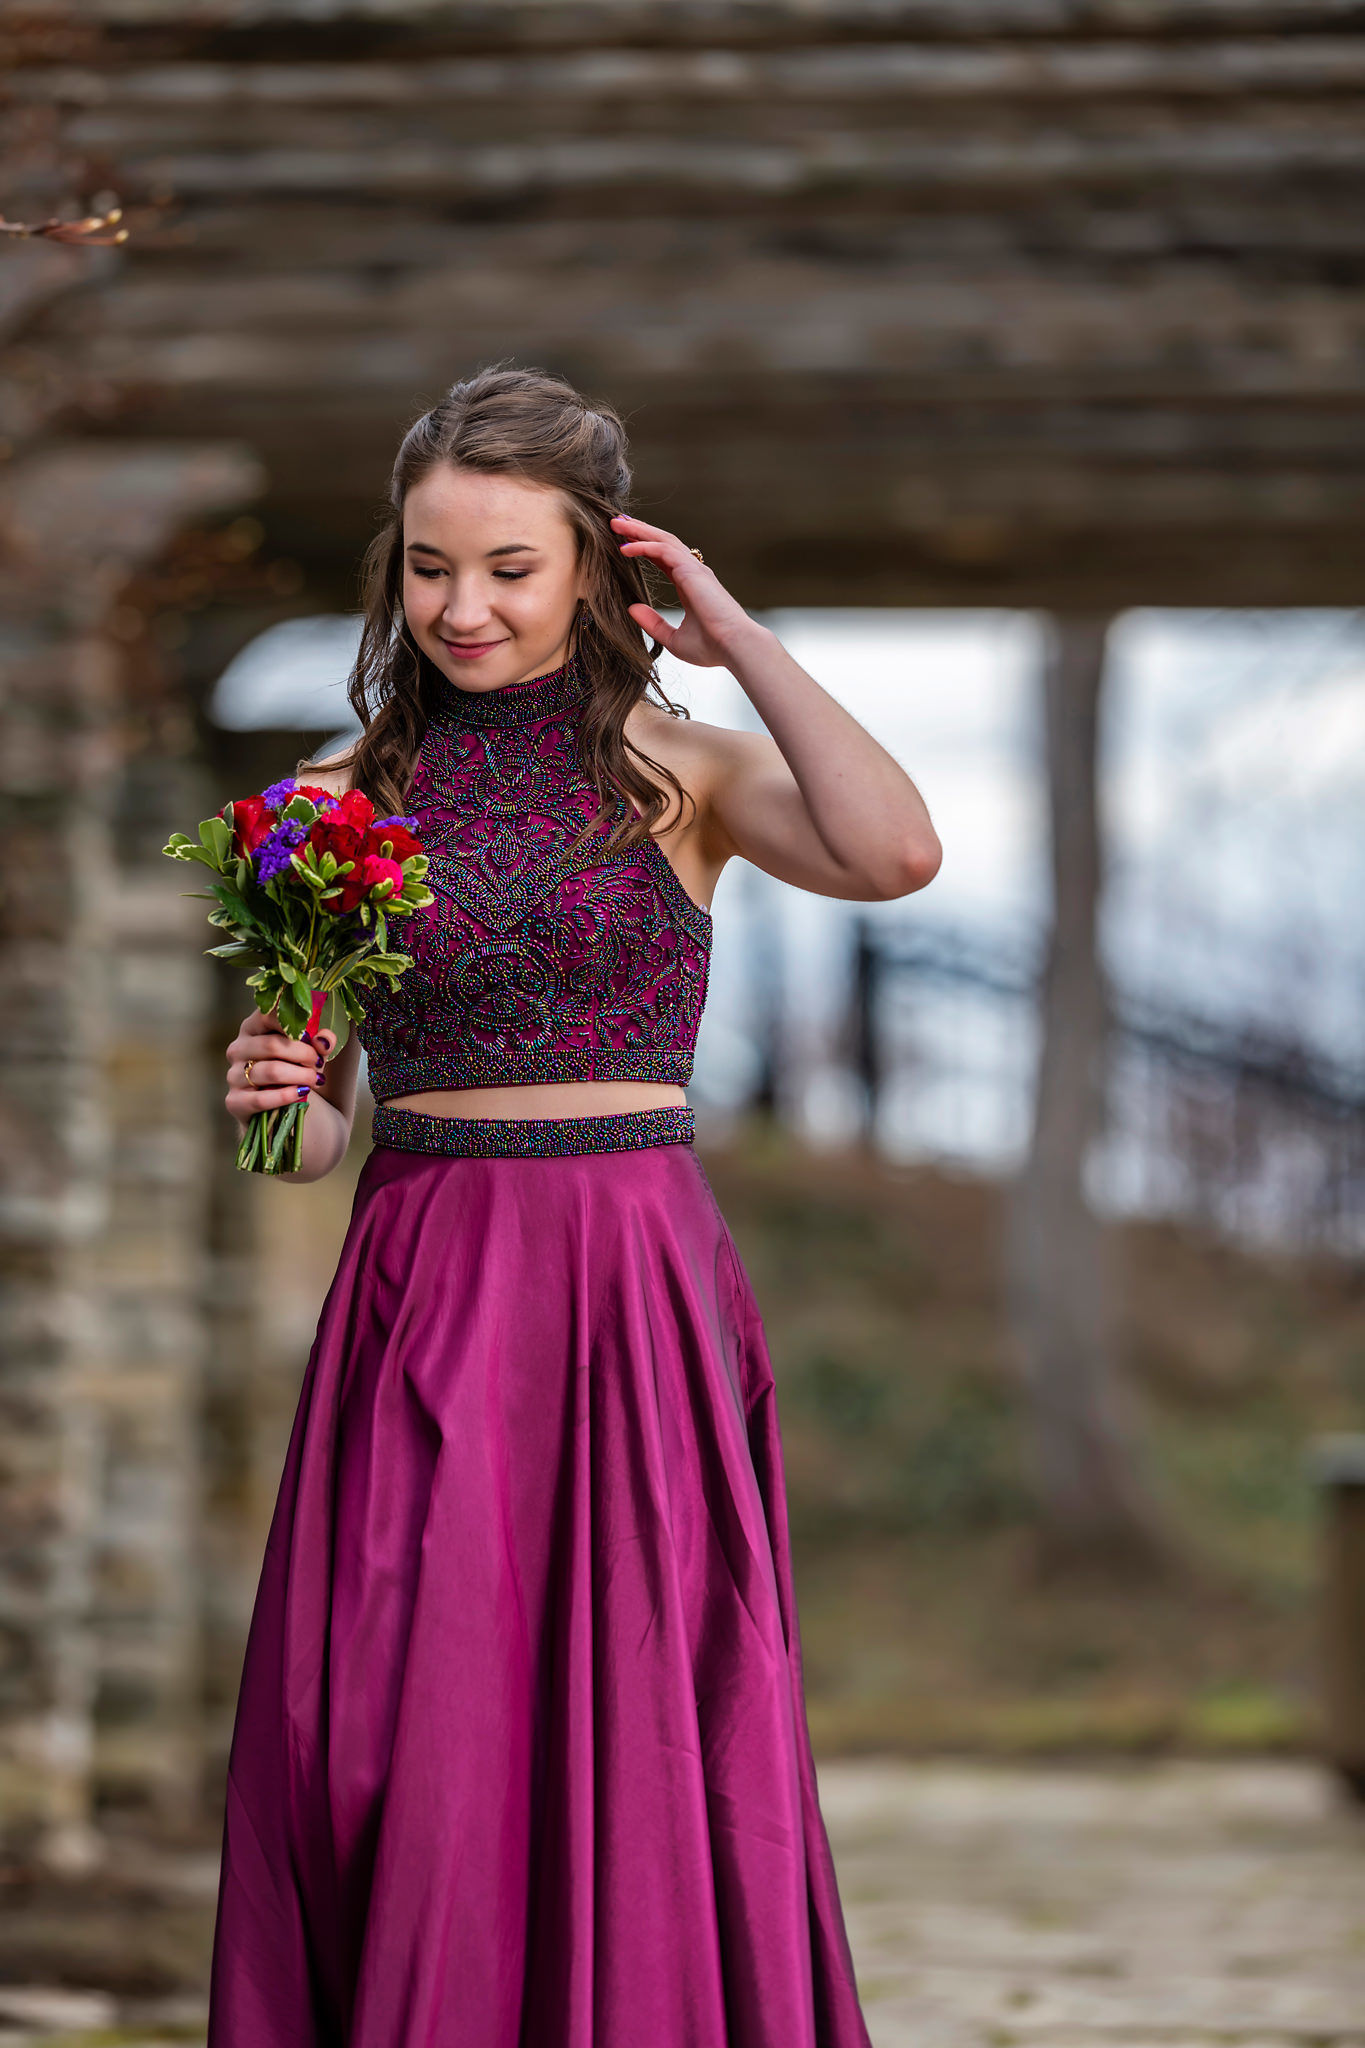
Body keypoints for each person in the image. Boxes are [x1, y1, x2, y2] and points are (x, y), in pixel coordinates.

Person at [207, 365, 941, 2047]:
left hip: (634, 1289)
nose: (460, 608)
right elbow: (299, 1148)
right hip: (426, 1281)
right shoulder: (325, 813)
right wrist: (271, 1107)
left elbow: (893, 856)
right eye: (426, 567)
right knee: (399, 1716)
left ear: (603, 574)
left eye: (509, 569)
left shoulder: (676, 775)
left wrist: (737, 637)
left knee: (652, 1711)